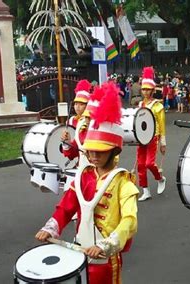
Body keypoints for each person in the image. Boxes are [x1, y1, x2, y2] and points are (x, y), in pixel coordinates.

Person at [35, 82, 138, 284]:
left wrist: (107, 245)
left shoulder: (123, 182)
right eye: (90, 150)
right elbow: (66, 207)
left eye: (100, 151)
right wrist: (51, 228)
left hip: (106, 258)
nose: (93, 155)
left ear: (114, 151)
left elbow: (130, 221)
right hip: (80, 250)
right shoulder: (84, 177)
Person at [136, 67, 167, 201]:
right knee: (141, 165)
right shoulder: (140, 104)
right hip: (141, 138)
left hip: (154, 136)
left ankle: (160, 178)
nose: (145, 92)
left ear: (153, 90)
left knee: (149, 163)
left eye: (148, 89)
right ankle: (145, 190)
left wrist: (163, 142)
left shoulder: (158, 106)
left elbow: (162, 124)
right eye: (143, 89)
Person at [61, 80, 93, 165]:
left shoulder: (98, 125)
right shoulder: (78, 122)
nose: (77, 107)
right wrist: (67, 143)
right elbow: (73, 153)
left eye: (81, 104)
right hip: (82, 169)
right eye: (76, 104)